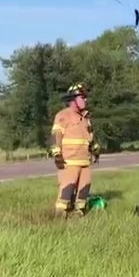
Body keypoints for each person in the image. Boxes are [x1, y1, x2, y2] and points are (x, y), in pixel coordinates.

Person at [50, 83, 95, 217]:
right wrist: (57, 154)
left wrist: (94, 149)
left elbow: (89, 137)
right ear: (73, 99)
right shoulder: (63, 115)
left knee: (84, 189)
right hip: (69, 161)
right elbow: (56, 135)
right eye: (82, 97)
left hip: (85, 161)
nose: (85, 100)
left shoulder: (85, 118)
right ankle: (60, 216)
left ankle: (79, 213)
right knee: (66, 190)